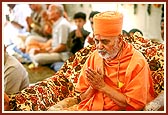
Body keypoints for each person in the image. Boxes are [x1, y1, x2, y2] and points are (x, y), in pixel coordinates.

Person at [75, 11, 155, 111]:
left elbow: (136, 105)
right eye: (96, 41)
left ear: (120, 39)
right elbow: (81, 98)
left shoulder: (137, 62)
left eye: (105, 41)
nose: (99, 46)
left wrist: (102, 87)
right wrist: (92, 87)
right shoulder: (95, 56)